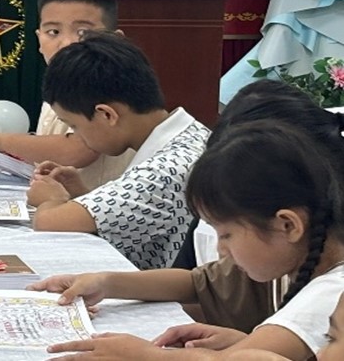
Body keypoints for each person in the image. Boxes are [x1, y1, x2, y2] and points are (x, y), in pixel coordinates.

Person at [32, 80, 344, 338]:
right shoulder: (285, 252)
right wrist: (105, 282)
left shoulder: (330, 287)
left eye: (226, 235)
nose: (220, 249)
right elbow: (199, 282)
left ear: (288, 224)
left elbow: (262, 353)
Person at [28, 33, 209, 271]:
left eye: (74, 125)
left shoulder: (163, 170)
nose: (78, 136)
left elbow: (50, 221)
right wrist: (81, 194)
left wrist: (51, 200)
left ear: (107, 114)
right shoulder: (191, 134)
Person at [0, 0, 135, 191]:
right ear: (39, 39)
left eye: (83, 32)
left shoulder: (108, 85)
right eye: (53, 32)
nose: (66, 43)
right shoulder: (58, 88)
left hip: (98, 208)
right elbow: (43, 158)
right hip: (62, 203)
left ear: (115, 39)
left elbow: (79, 150)